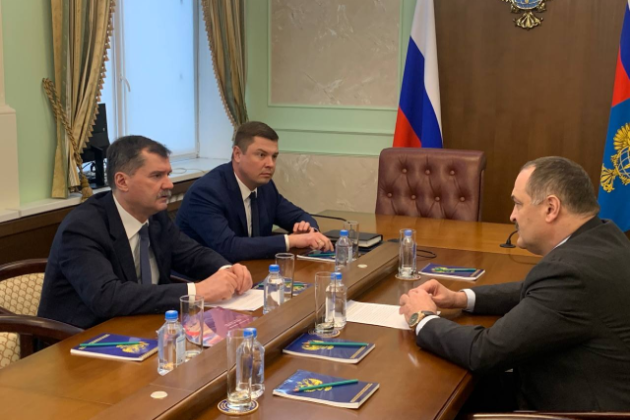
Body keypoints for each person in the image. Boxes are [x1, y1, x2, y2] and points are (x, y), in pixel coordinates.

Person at [399, 156, 630, 411]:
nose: (512, 216)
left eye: (518, 204)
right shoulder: (604, 236)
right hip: (573, 385)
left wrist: (423, 318)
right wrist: (462, 298)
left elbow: (484, 352)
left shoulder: (569, 274)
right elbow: (538, 292)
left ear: (551, 208)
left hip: (566, 409)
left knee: (423, 401)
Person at [38, 136, 252, 329]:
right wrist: (197, 291)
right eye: (157, 176)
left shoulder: (155, 216)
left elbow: (192, 254)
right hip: (81, 339)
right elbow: (107, 297)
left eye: (168, 174)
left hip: (144, 325)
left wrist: (227, 270)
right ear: (122, 181)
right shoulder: (82, 228)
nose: (169, 184)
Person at [176, 121, 333, 262]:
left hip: (250, 268)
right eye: (261, 155)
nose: (270, 164)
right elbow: (228, 247)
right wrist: (291, 241)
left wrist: (310, 232)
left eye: (274, 156)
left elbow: (299, 216)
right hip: (203, 278)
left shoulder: (265, 186)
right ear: (237, 154)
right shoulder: (206, 192)